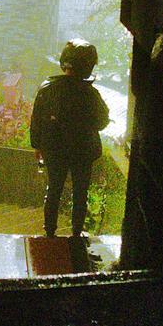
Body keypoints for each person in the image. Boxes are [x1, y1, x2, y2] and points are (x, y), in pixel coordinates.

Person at [29, 39, 109, 239]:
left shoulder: (47, 89)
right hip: (83, 151)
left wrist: (37, 145)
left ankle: (49, 231)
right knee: (80, 191)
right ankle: (76, 232)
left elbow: (36, 120)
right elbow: (101, 121)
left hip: (53, 149)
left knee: (54, 188)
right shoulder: (90, 94)